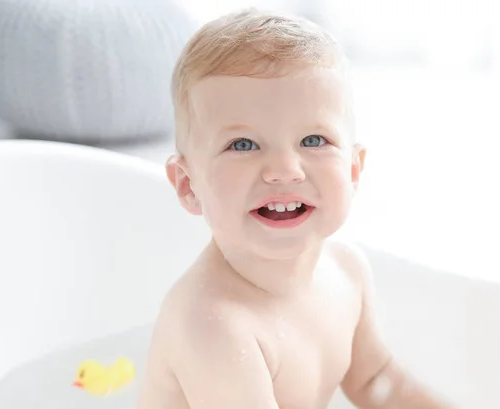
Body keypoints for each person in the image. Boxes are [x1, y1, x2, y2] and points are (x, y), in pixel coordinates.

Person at [137, 8, 454, 409]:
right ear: (188, 185)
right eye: (243, 145)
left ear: (353, 169)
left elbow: (376, 383)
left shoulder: (347, 271)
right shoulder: (212, 325)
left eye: (314, 140)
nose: (284, 170)